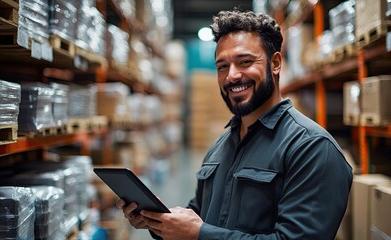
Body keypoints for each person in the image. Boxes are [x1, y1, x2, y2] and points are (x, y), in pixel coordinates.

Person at [117, 9, 353, 240]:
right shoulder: (220, 147)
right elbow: (199, 216)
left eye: (245, 61)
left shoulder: (311, 148)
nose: (231, 76)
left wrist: (199, 234)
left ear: (276, 63)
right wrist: (158, 220)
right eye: (222, 66)